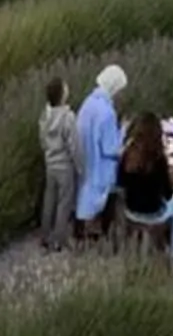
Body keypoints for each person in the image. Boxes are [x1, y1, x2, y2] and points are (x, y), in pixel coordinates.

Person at [117, 111, 173, 258]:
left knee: (172, 204)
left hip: (130, 209)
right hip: (153, 212)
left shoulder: (128, 154)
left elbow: (121, 183)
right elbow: (168, 194)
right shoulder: (158, 158)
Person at [75, 63, 127, 234]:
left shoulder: (88, 103)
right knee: (109, 192)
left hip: (84, 161)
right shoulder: (107, 112)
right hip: (100, 167)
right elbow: (110, 149)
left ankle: (80, 229)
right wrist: (124, 134)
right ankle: (104, 230)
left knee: (83, 196)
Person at [38, 75, 81, 250]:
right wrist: (80, 166)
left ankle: (44, 236)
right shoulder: (68, 117)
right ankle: (58, 240)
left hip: (50, 164)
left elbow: (42, 140)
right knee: (64, 204)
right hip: (65, 167)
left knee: (49, 201)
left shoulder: (44, 115)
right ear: (62, 95)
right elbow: (74, 146)